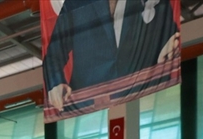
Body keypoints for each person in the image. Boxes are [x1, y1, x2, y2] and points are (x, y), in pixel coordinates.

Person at [43, 0, 179, 113]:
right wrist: (55, 83)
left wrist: (171, 43)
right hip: (88, 107)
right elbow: (53, 56)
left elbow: (168, 33)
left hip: (145, 102)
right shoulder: (75, 2)